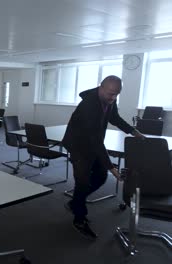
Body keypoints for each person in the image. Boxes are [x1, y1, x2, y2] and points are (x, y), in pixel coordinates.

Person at [62, 75, 145, 240]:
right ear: (101, 87)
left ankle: (75, 203)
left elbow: (115, 118)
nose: (113, 98)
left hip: (93, 145)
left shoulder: (109, 100)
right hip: (78, 147)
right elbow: (96, 141)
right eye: (110, 93)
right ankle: (79, 219)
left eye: (116, 94)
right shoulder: (88, 106)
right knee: (83, 182)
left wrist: (133, 132)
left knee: (100, 177)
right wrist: (112, 167)